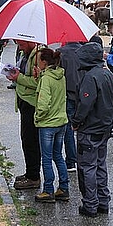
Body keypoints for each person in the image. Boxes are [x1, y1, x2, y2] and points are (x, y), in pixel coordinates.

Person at [72, 41, 113, 217]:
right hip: (104, 127)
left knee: (87, 167)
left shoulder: (91, 77)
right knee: (100, 164)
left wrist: (76, 121)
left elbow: (85, 104)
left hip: (90, 129)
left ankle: (90, 204)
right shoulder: (109, 75)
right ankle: (103, 201)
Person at [32, 48, 70, 203]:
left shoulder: (47, 78)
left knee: (46, 158)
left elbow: (43, 103)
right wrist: (39, 77)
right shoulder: (60, 75)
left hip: (48, 123)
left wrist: (38, 117)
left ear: (44, 62)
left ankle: (48, 190)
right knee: (58, 156)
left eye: (39, 59)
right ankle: (63, 188)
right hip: (61, 121)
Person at [6, 40, 44, 191]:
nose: (18, 45)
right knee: (26, 139)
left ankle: (34, 177)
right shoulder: (26, 53)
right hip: (24, 101)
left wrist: (18, 78)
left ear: (30, 41)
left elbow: (38, 82)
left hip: (32, 104)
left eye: (21, 43)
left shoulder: (38, 56)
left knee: (31, 141)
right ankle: (30, 172)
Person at [58, 38, 87, 172]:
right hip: (83, 94)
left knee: (68, 128)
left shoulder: (61, 53)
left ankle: (71, 160)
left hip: (67, 93)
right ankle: (84, 158)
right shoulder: (85, 52)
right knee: (83, 126)